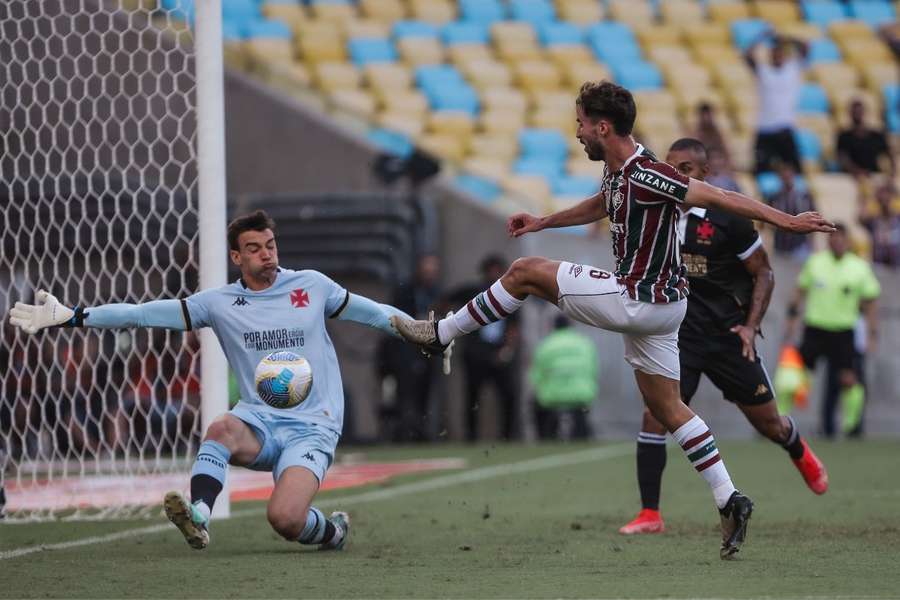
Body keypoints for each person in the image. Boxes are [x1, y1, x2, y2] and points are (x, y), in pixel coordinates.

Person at [390, 81, 834, 559]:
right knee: (667, 409)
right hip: (666, 312)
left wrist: (786, 221)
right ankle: (729, 498)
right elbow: (602, 204)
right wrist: (544, 222)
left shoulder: (648, 172)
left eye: (581, 124)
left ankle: (441, 335)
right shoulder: (618, 173)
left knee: (524, 273)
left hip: (639, 300)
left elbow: (716, 195)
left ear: (603, 126)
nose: (577, 133)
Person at [8, 210, 420, 552]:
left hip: (313, 426)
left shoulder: (311, 286)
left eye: (270, 246)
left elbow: (373, 313)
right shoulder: (219, 303)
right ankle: (199, 516)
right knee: (221, 427)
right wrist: (74, 316)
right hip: (258, 420)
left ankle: (332, 532)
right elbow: (141, 312)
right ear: (236, 257)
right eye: (255, 249)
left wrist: (423, 332)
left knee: (285, 519)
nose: (267, 256)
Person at [619, 138, 828, 536]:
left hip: (729, 336)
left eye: (686, 169)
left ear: (704, 175)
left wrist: (750, 326)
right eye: (671, 166)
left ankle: (797, 448)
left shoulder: (727, 218)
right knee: (656, 413)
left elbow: (763, 272)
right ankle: (650, 513)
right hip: (680, 338)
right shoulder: (655, 213)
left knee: (769, 425)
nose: (676, 175)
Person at [785, 224, 880, 438]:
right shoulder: (815, 262)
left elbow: (871, 301)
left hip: (843, 332)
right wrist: (791, 322)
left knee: (848, 380)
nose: (837, 241)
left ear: (847, 241)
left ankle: (852, 427)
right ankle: (776, 423)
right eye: (833, 238)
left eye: (841, 238)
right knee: (791, 376)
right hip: (815, 328)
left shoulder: (859, 267)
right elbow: (799, 291)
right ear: (828, 240)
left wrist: (873, 333)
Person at [445, 254, 521, 442]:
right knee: (472, 397)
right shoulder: (472, 292)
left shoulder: (509, 294)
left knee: (508, 395)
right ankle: (470, 436)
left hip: (498, 352)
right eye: (491, 271)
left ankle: (508, 436)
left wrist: (508, 350)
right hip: (476, 353)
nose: (494, 275)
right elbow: (445, 302)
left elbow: (513, 327)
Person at [378, 254, 443, 442]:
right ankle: (403, 432)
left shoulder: (435, 292)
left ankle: (420, 431)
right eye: (427, 270)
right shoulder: (406, 290)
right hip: (405, 350)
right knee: (405, 394)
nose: (430, 275)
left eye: (433, 271)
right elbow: (399, 320)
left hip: (427, 349)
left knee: (425, 391)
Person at [744, 28, 808, 173]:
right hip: (765, 127)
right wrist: (762, 36)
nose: (777, 55)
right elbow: (747, 54)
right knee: (760, 171)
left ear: (785, 55)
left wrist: (786, 37)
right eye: (774, 53)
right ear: (770, 55)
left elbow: (805, 47)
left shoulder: (793, 69)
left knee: (796, 172)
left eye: (780, 53)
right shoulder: (763, 71)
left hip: (785, 128)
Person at [529, 315, 597, 441]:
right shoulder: (584, 343)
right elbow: (592, 371)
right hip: (580, 396)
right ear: (570, 325)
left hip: (552, 397)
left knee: (537, 407)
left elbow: (535, 377)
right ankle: (582, 434)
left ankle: (545, 436)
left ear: (553, 326)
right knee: (581, 418)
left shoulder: (545, 345)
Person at [767, 164, 817, 259]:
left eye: (789, 176)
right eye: (784, 176)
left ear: (794, 176)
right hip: (780, 245)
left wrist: (812, 243)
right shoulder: (774, 197)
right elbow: (767, 222)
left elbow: (814, 220)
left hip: (800, 246)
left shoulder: (805, 197)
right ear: (780, 178)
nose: (787, 179)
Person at [836, 100, 895, 178]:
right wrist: (856, 171)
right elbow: (842, 158)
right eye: (855, 112)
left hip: (874, 176)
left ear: (864, 113)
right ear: (850, 114)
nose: (857, 114)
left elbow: (890, 156)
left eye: (859, 112)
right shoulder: (844, 136)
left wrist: (891, 177)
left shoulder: (876, 136)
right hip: (851, 177)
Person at [859, 179, 900, 267]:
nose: (885, 200)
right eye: (882, 198)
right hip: (879, 266)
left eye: (887, 197)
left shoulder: (898, 219)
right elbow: (861, 218)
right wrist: (867, 196)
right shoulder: (873, 221)